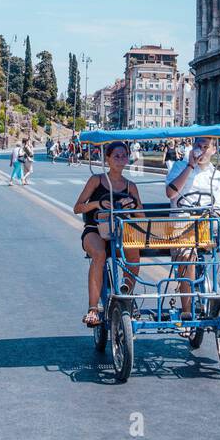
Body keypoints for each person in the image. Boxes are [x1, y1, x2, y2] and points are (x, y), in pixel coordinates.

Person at [166, 135, 220, 318]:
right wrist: (190, 166)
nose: (201, 149)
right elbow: (170, 193)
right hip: (181, 226)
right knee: (188, 255)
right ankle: (186, 310)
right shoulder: (178, 167)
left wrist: (209, 213)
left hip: (206, 226)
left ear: (214, 150)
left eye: (206, 146)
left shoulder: (218, 177)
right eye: (198, 145)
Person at [74, 141, 142, 328]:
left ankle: (126, 295)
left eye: (124, 156)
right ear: (108, 159)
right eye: (116, 156)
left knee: (134, 254)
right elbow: (77, 207)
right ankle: (93, 308)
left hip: (121, 231)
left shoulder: (131, 186)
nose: (120, 160)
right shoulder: (96, 180)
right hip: (95, 229)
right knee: (99, 254)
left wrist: (133, 204)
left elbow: (141, 216)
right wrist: (97, 205)